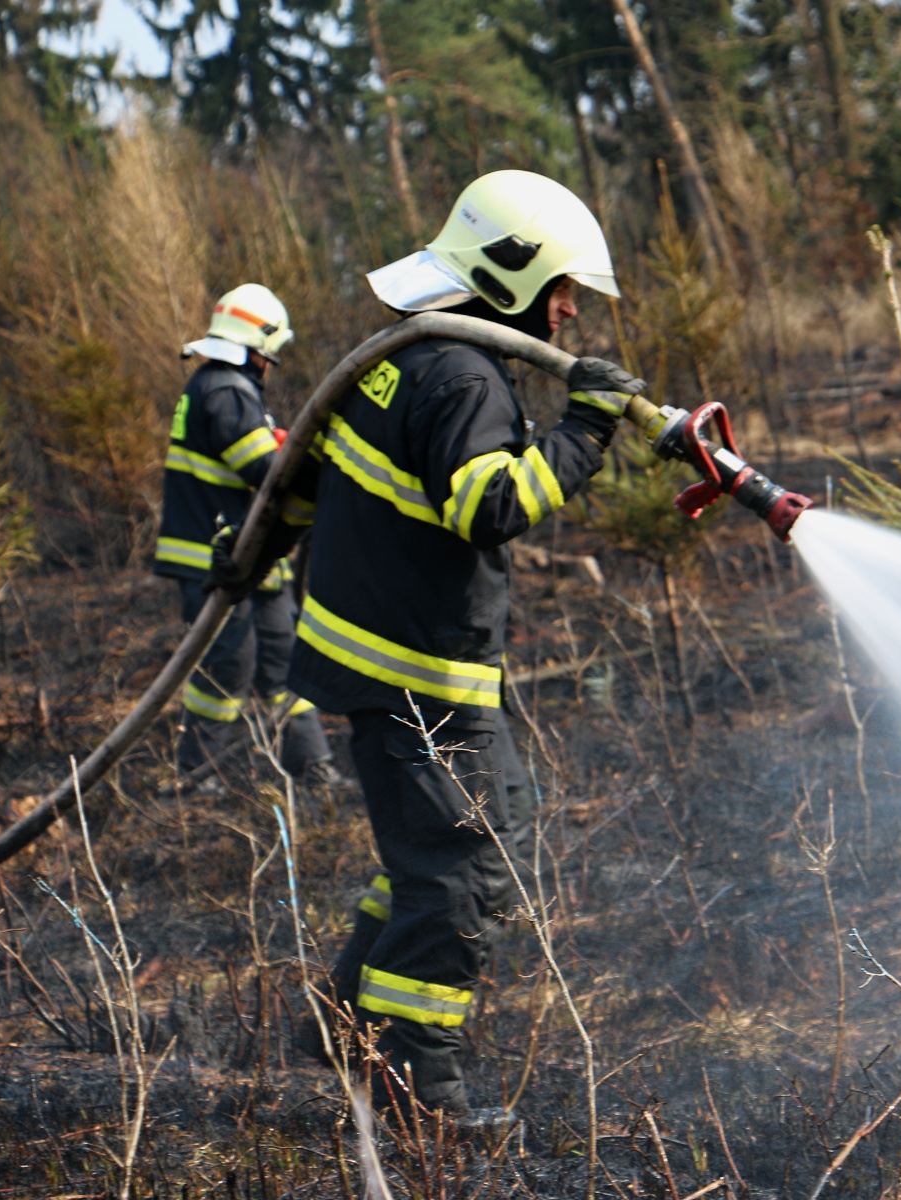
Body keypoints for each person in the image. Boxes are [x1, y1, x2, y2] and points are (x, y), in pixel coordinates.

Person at [217, 171, 646, 1124]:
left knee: (468, 840)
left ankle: (341, 1021)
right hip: (415, 682)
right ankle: (416, 1089)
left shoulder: (398, 359)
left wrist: (248, 551)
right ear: (510, 278)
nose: (570, 309)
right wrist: (586, 429)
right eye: (561, 287)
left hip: (388, 670)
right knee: (459, 880)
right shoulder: (459, 374)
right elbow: (489, 507)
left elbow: (304, 479)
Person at [154, 284, 338, 789]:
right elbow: (268, 470)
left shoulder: (228, 389)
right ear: (257, 349)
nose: (270, 366)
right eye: (269, 356)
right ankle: (198, 774)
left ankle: (311, 764)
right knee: (228, 663)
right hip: (212, 558)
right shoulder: (224, 391)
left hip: (255, 559)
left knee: (285, 660)